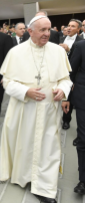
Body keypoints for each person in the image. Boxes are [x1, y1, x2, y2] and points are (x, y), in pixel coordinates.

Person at [0, 15, 72, 203]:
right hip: (24, 110)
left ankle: (45, 188)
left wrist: (62, 90)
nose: (47, 34)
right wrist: (26, 91)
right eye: (42, 30)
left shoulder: (58, 52)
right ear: (30, 31)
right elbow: (7, 82)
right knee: (25, 145)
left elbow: (66, 79)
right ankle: (25, 177)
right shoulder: (16, 52)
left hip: (49, 112)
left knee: (47, 148)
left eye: (49, 30)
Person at [61, 40, 85, 195]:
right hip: (83, 99)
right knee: (84, 139)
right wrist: (66, 97)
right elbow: (70, 72)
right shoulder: (81, 46)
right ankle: (83, 180)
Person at [60, 19, 83, 132]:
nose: (69, 28)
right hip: (58, 72)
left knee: (68, 97)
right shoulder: (60, 38)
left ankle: (66, 120)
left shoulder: (81, 41)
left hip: (71, 73)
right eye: (68, 25)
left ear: (79, 29)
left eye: (73, 26)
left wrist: (69, 50)